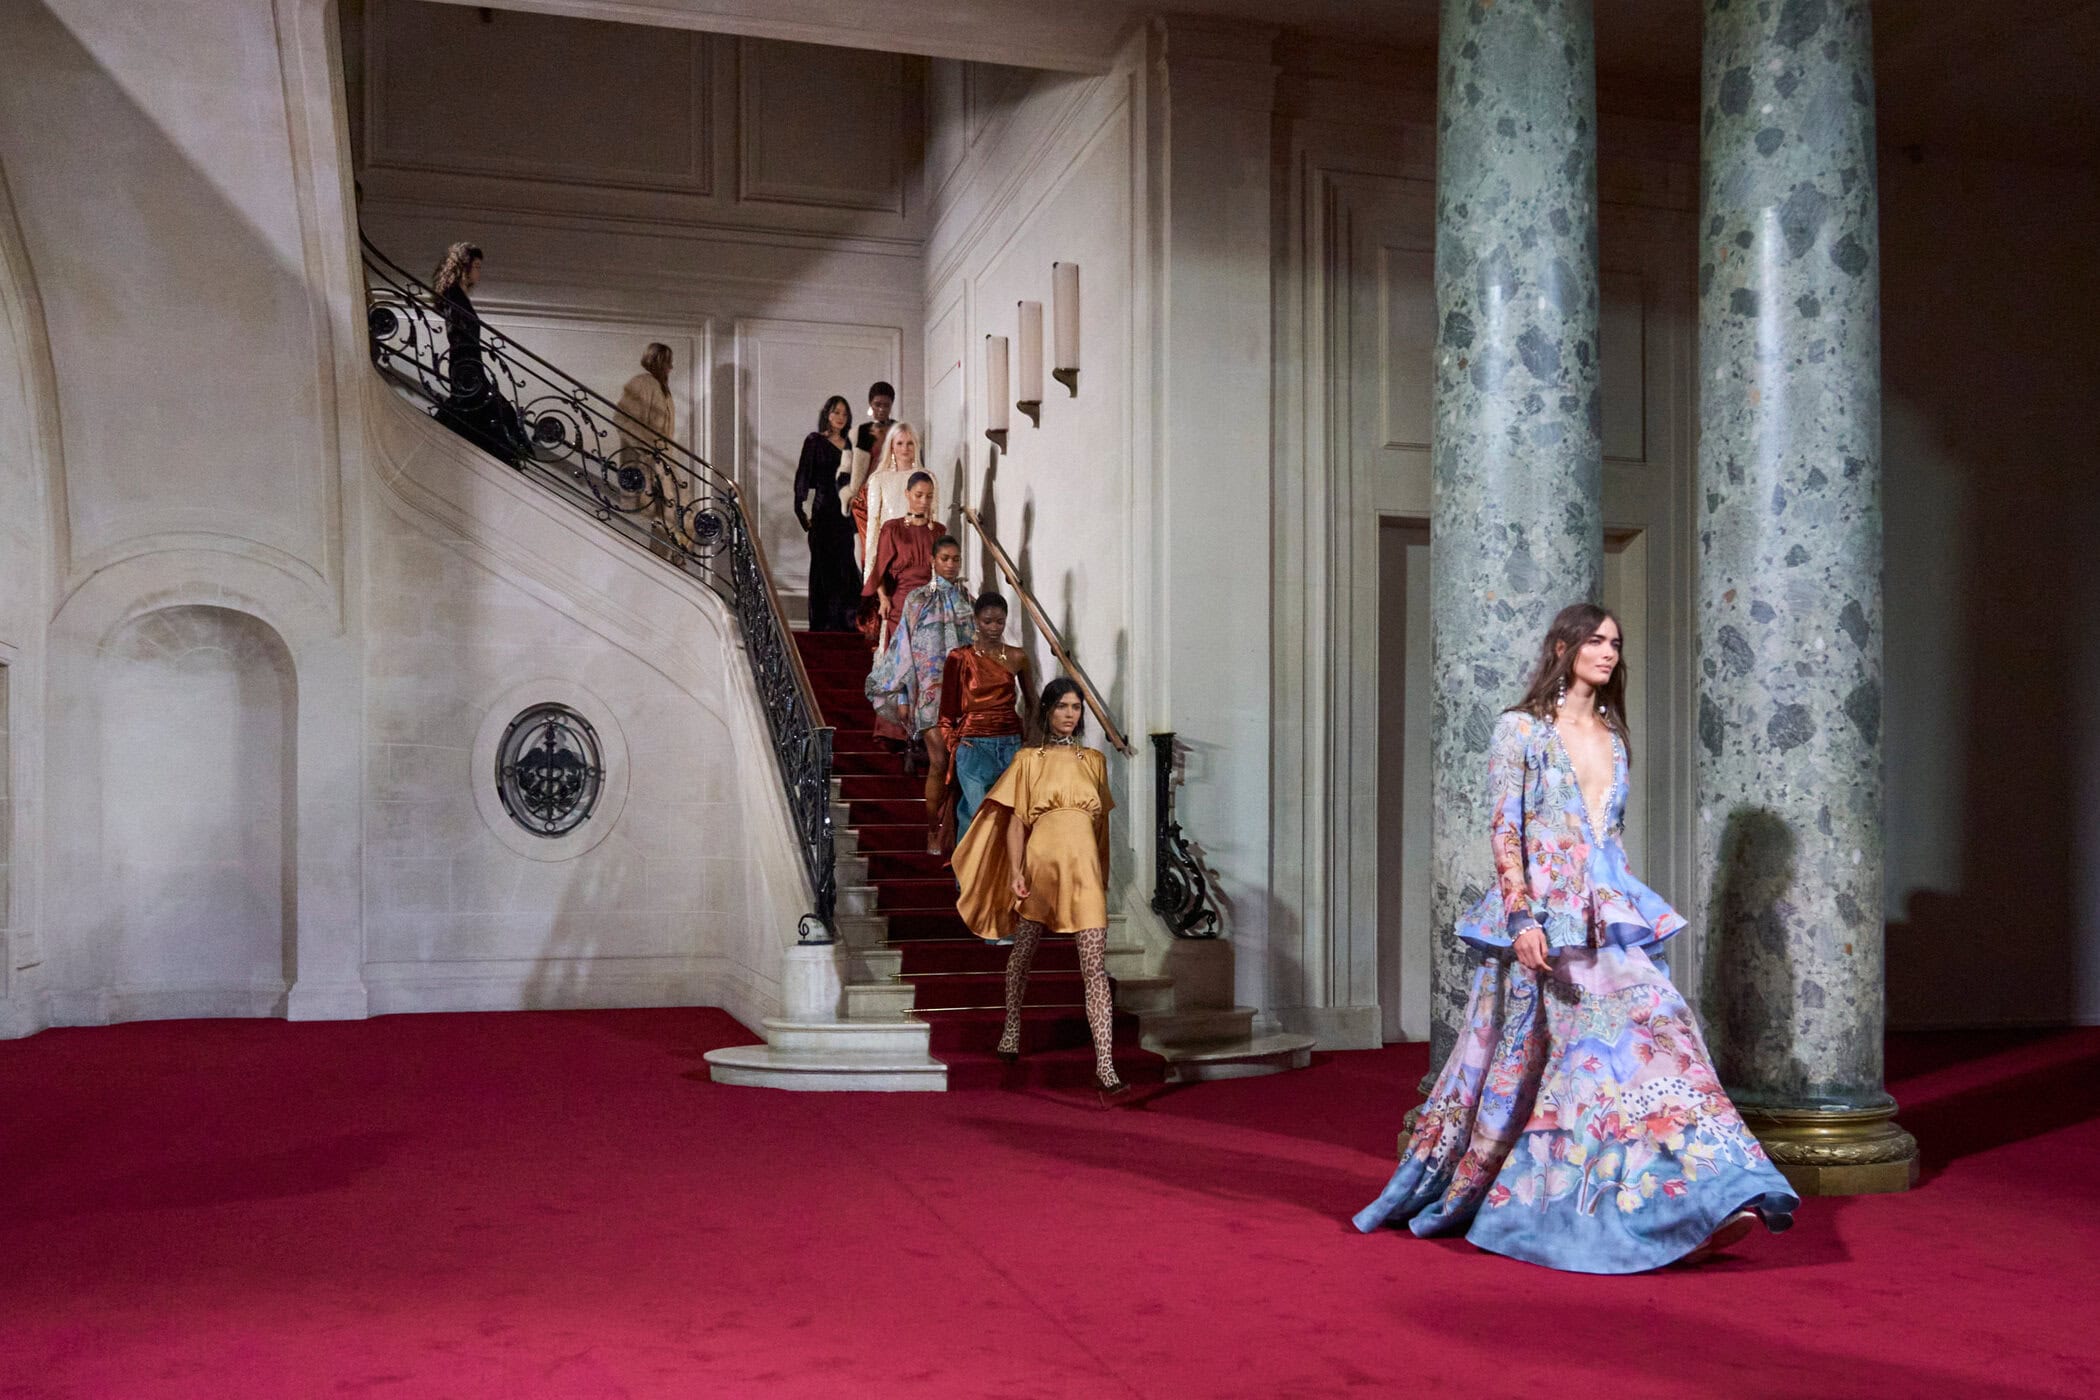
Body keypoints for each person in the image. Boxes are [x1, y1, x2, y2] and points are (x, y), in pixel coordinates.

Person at [1353, 603, 1798, 1273]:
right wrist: (1521, 918)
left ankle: (1700, 1199)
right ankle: (1587, 1217)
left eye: (1615, 642)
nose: (1609, 652)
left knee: (1665, 1037)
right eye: (1595, 640)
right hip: (1545, 921)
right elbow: (1505, 830)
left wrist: (1624, 910)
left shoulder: (1614, 736)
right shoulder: (1520, 730)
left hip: (1607, 917)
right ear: (1563, 646)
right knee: (1580, 1071)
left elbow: (1608, 838)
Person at [953, 679, 1124, 1102]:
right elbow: (1015, 823)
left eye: (1076, 707)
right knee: (1023, 954)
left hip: (1084, 873)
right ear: (1047, 710)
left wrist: (1101, 874)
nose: (1070, 714)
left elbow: (1101, 828)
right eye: (1062, 706)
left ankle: (1105, 1065)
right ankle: (1012, 1026)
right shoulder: (1029, 760)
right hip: (1039, 868)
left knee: (1094, 969)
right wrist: (1016, 871)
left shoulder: (1095, 761)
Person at [865, 538, 977, 848]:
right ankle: (932, 830)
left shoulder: (968, 600)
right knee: (939, 761)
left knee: (960, 764)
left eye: (956, 558)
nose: (951, 564)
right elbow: (903, 647)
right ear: (933, 560)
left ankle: (955, 832)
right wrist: (903, 696)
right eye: (945, 558)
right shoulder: (917, 599)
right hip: (928, 693)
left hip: (963, 695)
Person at [938, 591, 1031, 847]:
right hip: (974, 745)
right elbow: (945, 713)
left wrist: (1028, 742)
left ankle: (1002, 873)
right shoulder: (960, 658)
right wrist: (955, 744)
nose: (994, 627)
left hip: (1011, 743)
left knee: (1010, 816)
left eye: (1000, 622)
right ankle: (967, 873)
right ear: (976, 620)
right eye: (987, 621)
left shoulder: (1017, 657)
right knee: (977, 816)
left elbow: (1033, 704)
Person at [430, 241, 528, 465]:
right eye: (476, 266)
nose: (478, 273)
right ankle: (510, 454)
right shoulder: (454, 296)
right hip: (466, 365)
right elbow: (457, 331)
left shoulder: (458, 296)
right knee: (494, 410)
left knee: (492, 411)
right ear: (463, 267)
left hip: (470, 363)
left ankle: (508, 455)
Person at [794, 396, 863, 632]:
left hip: (845, 515)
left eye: (844, 413)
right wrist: (800, 509)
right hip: (823, 514)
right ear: (827, 414)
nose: (840, 417)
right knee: (823, 570)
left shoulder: (852, 445)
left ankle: (847, 625)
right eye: (836, 412)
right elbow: (804, 475)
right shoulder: (815, 441)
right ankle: (823, 627)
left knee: (846, 568)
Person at [615, 343, 685, 557]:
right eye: (667, 362)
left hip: (661, 460)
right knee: (661, 513)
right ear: (658, 362)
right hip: (647, 461)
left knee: (672, 512)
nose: (671, 367)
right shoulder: (642, 383)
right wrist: (648, 449)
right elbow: (623, 420)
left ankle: (664, 560)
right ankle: (658, 560)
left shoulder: (662, 389)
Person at [861, 469, 943, 652]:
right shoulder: (892, 528)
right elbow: (879, 568)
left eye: (929, 496)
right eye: (918, 495)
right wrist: (883, 599)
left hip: (930, 602)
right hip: (900, 603)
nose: (924, 501)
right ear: (907, 494)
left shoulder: (938, 531)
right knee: (900, 657)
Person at [848, 380, 897, 555]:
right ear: (870, 404)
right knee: (864, 545)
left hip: (892, 493)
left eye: (886, 405)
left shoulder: (899, 430)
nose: (881, 409)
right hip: (866, 494)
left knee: (890, 545)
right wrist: (851, 495)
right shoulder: (860, 432)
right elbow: (850, 467)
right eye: (877, 404)